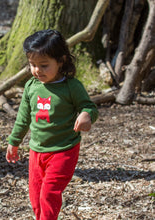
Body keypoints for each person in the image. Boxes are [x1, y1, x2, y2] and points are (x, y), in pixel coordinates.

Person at [6, 29, 98, 220]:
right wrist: (14, 141)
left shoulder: (71, 87)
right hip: (36, 151)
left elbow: (89, 107)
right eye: (32, 65)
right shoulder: (31, 86)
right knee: (35, 197)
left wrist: (86, 115)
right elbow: (23, 118)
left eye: (44, 65)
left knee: (49, 193)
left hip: (64, 150)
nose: (37, 70)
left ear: (61, 61)